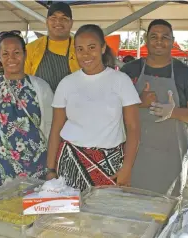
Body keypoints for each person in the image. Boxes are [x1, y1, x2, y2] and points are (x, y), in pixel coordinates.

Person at [46, 24, 140, 191]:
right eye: (80, 49)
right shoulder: (66, 83)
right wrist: (51, 170)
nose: (86, 54)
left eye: (92, 47)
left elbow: (133, 128)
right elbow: (56, 128)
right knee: (70, 216)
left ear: (103, 48)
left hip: (110, 164)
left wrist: (127, 168)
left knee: (106, 215)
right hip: (70, 161)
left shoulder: (121, 80)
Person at [120, 19, 188, 196]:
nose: (159, 41)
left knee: (165, 209)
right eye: (154, 36)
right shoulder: (129, 71)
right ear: (145, 39)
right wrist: (138, 102)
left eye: (165, 37)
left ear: (173, 41)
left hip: (169, 158)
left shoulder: (185, 73)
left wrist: (174, 112)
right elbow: (112, 108)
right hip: (133, 156)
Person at [0, 31, 53, 193]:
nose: (11, 58)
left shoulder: (41, 87)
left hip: (38, 171)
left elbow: (52, 130)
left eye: (17, 52)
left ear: (25, 54)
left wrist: (52, 169)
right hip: (0, 172)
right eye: (5, 53)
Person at [25, 2, 80, 92]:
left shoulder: (81, 47)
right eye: (53, 18)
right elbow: (25, 83)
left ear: (71, 23)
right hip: (42, 104)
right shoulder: (31, 49)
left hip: (74, 103)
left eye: (64, 18)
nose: (58, 22)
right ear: (47, 22)